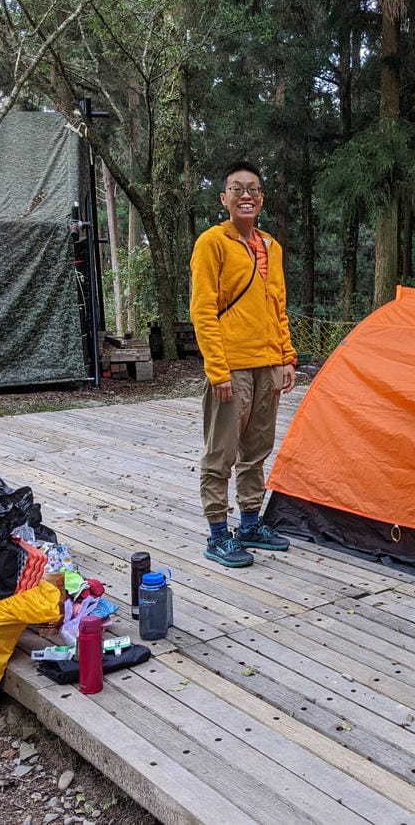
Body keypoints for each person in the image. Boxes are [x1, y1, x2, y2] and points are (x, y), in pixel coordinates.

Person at [189, 161, 297, 568]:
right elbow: (203, 310)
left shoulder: (272, 246)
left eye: (253, 189)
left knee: (257, 450)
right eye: (237, 189)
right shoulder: (212, 242)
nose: (246, 195)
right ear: (224, 198)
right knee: (221, 453)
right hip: (232, 366)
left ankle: (250, 523)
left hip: (268, 364)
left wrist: (286, 357)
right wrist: (217, 370)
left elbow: (278, 307)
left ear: (262, 199)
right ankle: (219, 534)